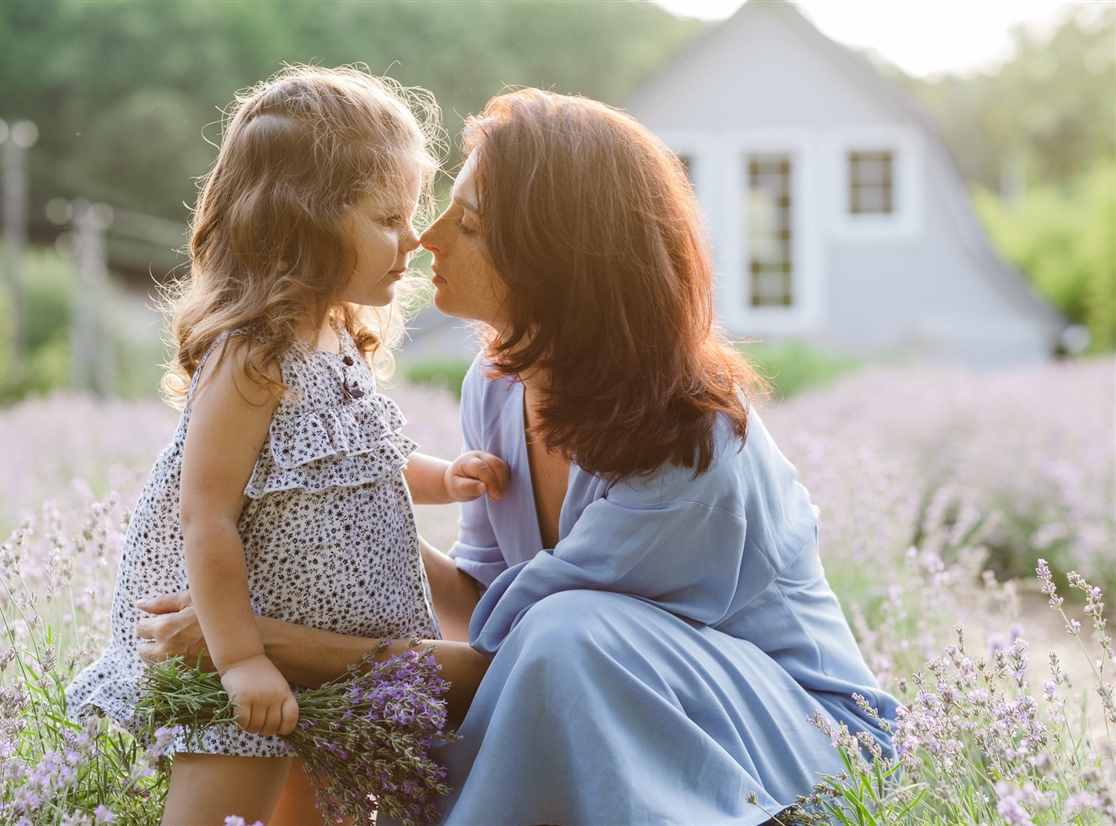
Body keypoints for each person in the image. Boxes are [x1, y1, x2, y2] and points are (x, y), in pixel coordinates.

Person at [137, 88, 899, 826]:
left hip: (800, 742)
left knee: (569, 632)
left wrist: (260, 638)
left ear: (553, 258)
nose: (426, 238)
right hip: (608, 701)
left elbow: (517, 665)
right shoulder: (499, 386)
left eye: (465, 223)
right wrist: (320, 533)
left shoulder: (689, 455)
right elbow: (488, 608)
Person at [65, 66, 509, 826]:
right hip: (250, 658)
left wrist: (448, 477)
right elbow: (205, 516)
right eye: (387, 220)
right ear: (302, 220)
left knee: (315, 812)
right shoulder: (253, 355)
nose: (415, 241)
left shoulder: (338, 337)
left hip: (325, 657)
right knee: (224, 800)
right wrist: (239, 660)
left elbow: (363, 462)